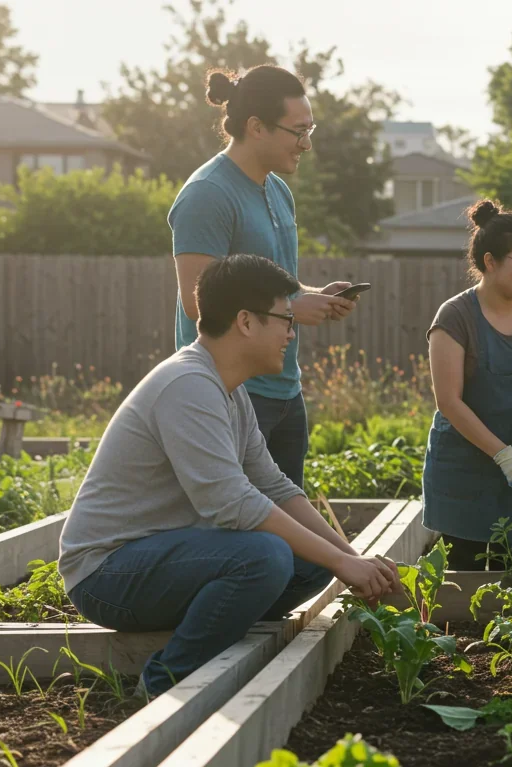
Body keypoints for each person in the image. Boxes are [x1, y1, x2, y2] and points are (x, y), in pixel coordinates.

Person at [59, 255, 399, 698]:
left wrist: (351, 559)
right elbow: (231, 502)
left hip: (163, 558)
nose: (291, 334)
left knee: (305, 558)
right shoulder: (188, 386)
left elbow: (274, 487)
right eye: (285, 320)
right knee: (265, 556)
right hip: (107, 574)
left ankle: (216, 637)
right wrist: (342, 564)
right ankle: (167, 684)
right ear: (245, 322)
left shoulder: (228, 390)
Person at [169, 64, 360, 490]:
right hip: (231, 392)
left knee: (286, 532)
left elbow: (270, 286)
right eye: (298, 131)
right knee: (241, 535)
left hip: (284, 391)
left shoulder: (278, 190)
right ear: (256, 127)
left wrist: (313, 296)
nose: (307, 143)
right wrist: (295, 307)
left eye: (311, 129)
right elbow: (197, 300)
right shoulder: (207, 194)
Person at [422, 200, 512, 571]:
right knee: (462, 583)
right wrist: (502, 454)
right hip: (463, 475)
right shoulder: (454, 317)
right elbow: (449, 401)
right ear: (490, 261)